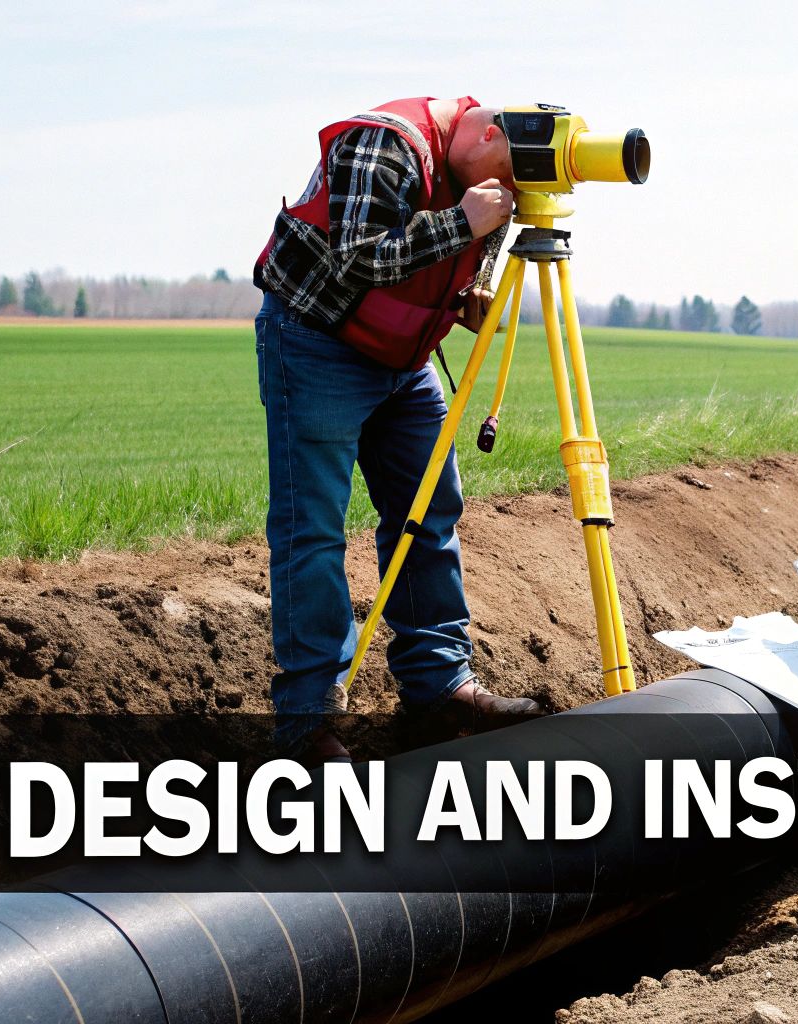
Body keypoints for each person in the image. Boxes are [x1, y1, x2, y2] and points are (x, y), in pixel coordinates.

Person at [253, 96, 545, 764]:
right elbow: (357, 256)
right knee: (314, 533)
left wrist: (469, 290)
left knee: (430, 512)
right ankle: (306, 726)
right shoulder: (386, 143)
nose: (505, 199)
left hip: (404, 359)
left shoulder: (489, 182)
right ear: (487, 134)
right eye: (503, 180)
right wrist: (461, 223)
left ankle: (439, 686)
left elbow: (477, 244)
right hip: (318, 342)